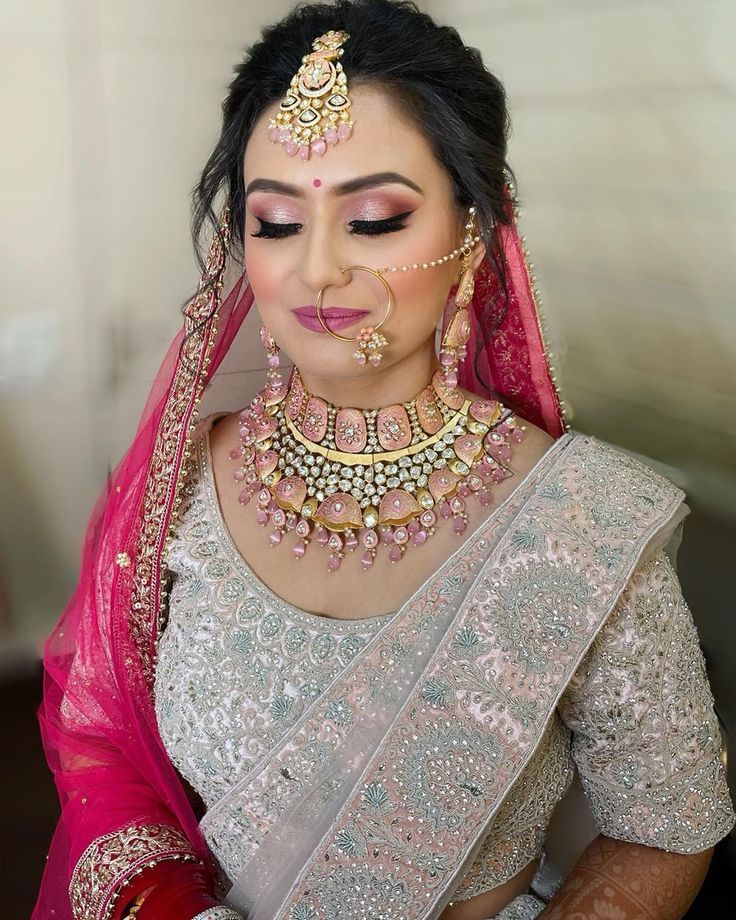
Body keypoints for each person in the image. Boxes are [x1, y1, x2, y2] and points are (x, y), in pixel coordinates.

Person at [34, 2, 735, 919]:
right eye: (276, 223)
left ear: (473, 229)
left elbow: (664, 820)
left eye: (372, 219)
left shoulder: (584, 520)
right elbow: (102, 745)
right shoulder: (177, 491)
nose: (316, 268)